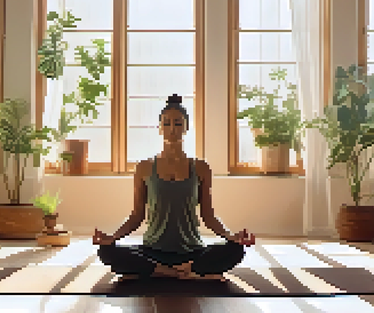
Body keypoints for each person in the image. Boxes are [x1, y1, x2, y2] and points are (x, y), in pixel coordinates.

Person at [93, 94, 256, 282]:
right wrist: (112, 238)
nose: (172, 129)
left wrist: (231, 236)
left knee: (235, 250)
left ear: (186, 127)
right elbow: (136, 216)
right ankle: (180, 272)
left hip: (191, 252)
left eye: (178, 123)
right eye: (167, 123)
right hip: (153, 251)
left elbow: (208, 216)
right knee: (106, 251)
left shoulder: (201, 168)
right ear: (160, 128)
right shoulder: (144, 168)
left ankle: (163, 271)